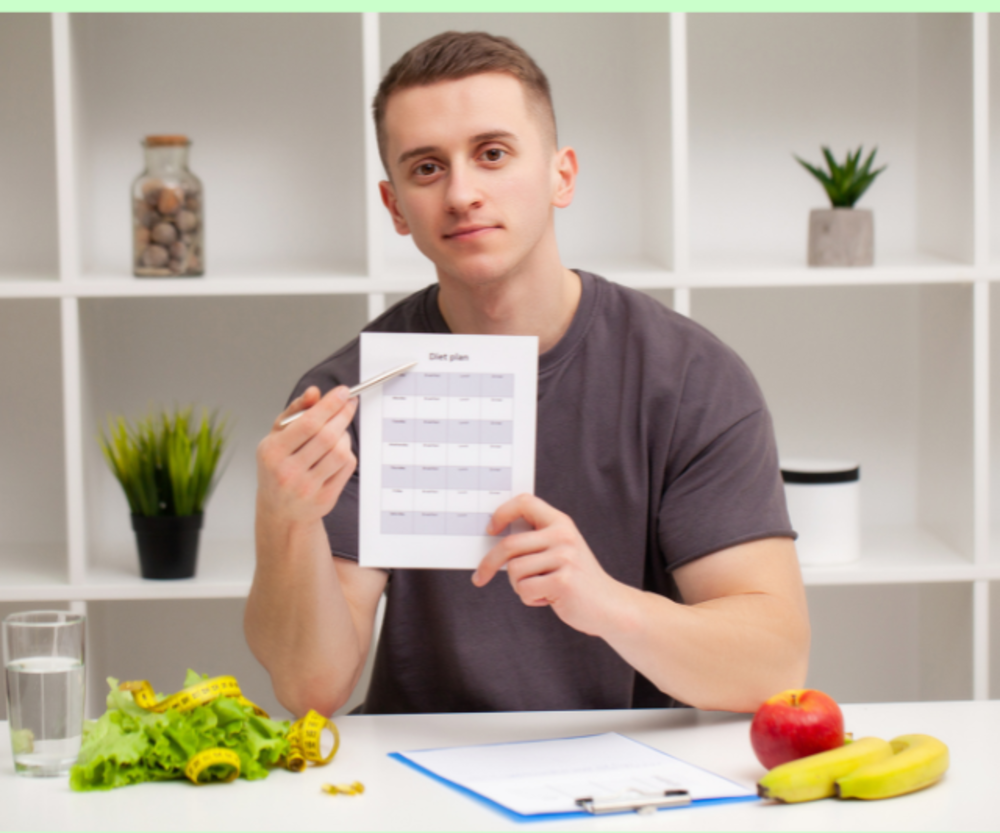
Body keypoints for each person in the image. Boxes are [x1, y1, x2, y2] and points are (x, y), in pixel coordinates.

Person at [245, 31, 810, 718]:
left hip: (635, 773)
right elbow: (312, 689)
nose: (462, 193)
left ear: (560, 175)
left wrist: (605, 604)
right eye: (426, 168)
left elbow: (775, 662)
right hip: (416, 770)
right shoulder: (351, 392)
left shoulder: (691, 376)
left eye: (492, 154)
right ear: (396, 207)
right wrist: (286, 521)